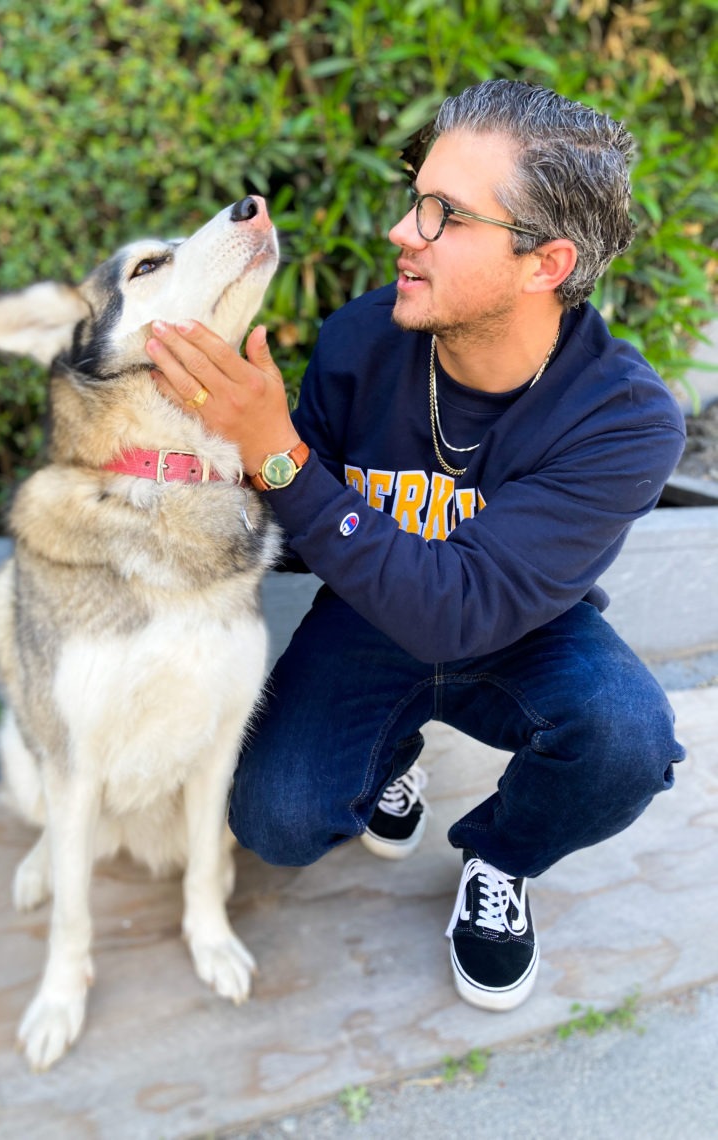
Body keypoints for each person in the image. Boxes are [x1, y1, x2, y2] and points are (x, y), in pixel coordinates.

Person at [145, 79, 686, 1013]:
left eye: (444, 215)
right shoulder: (364, 338)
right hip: (363, 617)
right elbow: (299, 523)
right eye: (415, 197)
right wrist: (205, 459)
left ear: (543, 262)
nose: (403, 230)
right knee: (274, 822)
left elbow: (457, 607)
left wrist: (276, 451)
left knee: (627, 741)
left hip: (521, 631)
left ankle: (500, 857)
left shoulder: (625, 419)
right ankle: (386, 759)